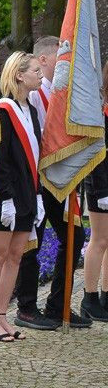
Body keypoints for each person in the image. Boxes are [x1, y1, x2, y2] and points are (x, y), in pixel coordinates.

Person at [14, 36, 92, 329]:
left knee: (73, 236)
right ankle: (26, 307)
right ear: (44, 60)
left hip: (58, 178)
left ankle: (58, 304)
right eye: (59, 60)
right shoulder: (35, 95)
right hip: (38, 178)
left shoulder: (58, 94)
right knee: (31, 242)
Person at [0, 52, 43, 341]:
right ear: (19, 75)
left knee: (16, 255)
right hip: (7, 195)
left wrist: (38, 195)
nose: (41, 76)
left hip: (28, 194)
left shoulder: (31, 110)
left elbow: (36, 155)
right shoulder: (4, 111)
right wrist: (4, 198)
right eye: (36, 71)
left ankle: (3, 315)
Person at [79, 65, 108, 322]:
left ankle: (106, 295)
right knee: (99, 240)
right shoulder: (100, 112)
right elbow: (96, 155)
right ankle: (88, 298)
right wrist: (101, 190)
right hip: (102, 183)